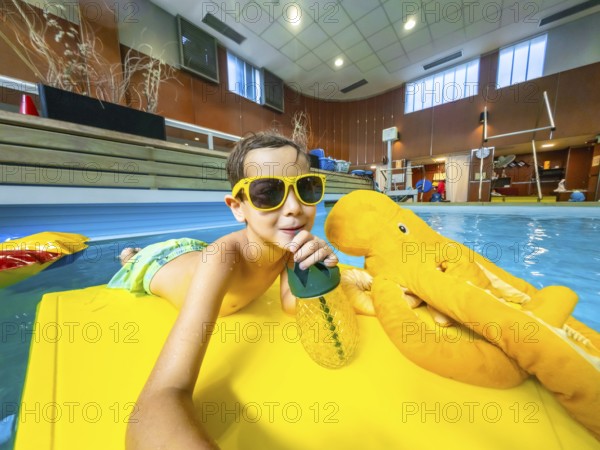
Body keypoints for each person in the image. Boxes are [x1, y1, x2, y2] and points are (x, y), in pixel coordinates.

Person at [117, 132, 338, 449]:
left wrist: (319, 269)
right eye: (268, 192)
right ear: (238, 207)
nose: (294, 208)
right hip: (162, 261)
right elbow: (163, 393)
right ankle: (132, 253)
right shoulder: (221, 259)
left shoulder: (289, 245)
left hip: (198, 252)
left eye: (306, 188)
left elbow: (291, 303)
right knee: (135, 257)